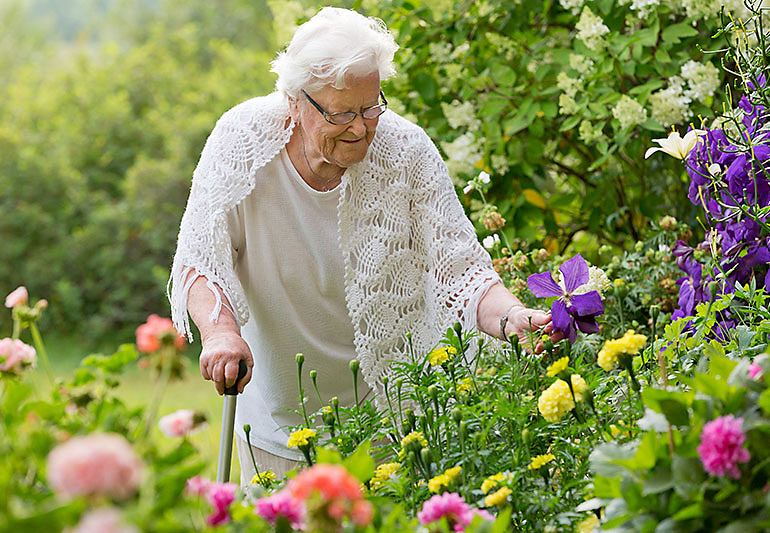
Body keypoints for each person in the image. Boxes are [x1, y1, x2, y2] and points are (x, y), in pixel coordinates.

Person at [168, 7, 559, 485]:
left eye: (371, 107)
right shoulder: (241, 140)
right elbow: (201, 258)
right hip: (278, 427)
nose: (360, 128)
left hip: (395, 424)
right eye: (340, 113)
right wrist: (221, 333)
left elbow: (461, 269)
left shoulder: (406, 151)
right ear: (294, 102)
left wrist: (511, 316)